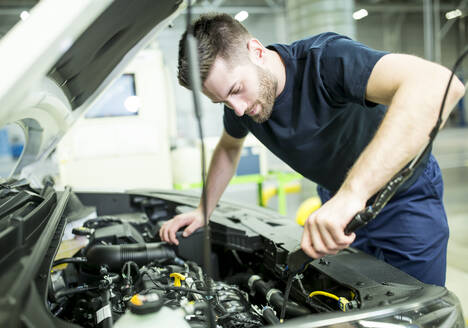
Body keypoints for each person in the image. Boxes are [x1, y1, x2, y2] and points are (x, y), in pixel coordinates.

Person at [159, 13, 465, 286]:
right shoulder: (242, 107)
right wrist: (204, 210)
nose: (237, 110)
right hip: (337, 204)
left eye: (236, 90)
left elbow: (440, 84)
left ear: (256, 51)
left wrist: (352, 195)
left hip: (402, 199)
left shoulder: (325, 61)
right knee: (350, 302)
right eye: (222, 102)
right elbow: (228, 148)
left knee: (414, 312)